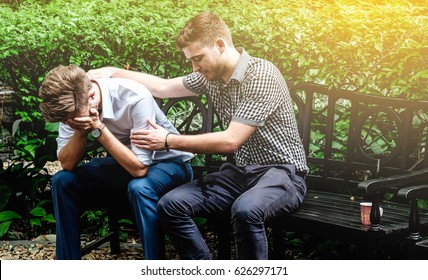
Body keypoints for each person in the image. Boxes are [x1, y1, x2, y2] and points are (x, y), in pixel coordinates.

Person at [87, 11, 308, 260]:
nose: (195, 67)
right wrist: (113, 71)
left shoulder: (261, 75)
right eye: (191, 61)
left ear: (221, 45)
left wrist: (169, 140)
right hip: (243, 173)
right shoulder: (210, 77)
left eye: (198, 58)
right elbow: (162, 87)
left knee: (246, 210)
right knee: (171, 205)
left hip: (283, 173)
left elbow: (230, 140)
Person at [38, 64, 193, 260]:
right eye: (65, 121)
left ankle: (154, 266)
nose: (69, 122)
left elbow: (139, 169)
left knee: (140, 187)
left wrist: (99, 129)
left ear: (91, 96)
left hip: (170, 164)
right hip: (125, 165)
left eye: (71, 118)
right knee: (62, 181)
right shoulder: (71, 106)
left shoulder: (134, 96)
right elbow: (67, 164)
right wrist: (80, 130)